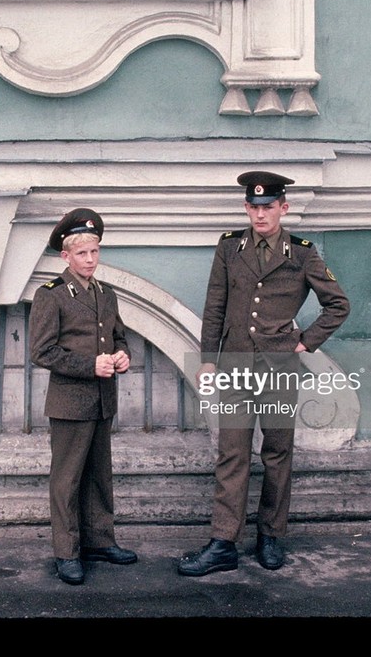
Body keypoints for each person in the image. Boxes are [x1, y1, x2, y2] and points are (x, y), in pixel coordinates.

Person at [178, 171, 350, 576]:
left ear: (282, 208)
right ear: (246, 208)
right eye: (253, 207)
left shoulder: (303, 254)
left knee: (276, 454)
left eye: (268, 207)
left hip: (279, 369)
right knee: (231, 453)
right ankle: (223, 542)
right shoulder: (228, 248)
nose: (260, 214)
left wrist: (305, 342)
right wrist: (208, 358)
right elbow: (215, 306)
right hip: (236, 366)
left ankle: (270, 536)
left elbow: (338, 305)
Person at [29, 208, 138, 585]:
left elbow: (119, 335)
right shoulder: (52, 296)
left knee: (99, 476)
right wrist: (90, 365)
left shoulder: (105, 294)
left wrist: (122, 356)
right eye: (81, 254)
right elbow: (42, 352)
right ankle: (67, 551)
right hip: (70, 403)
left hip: (103, 400)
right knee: (67, 480)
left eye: (94, 251)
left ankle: (100, 541)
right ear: (66, 256)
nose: (90, 259)